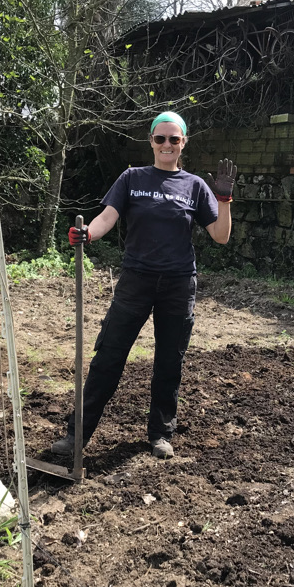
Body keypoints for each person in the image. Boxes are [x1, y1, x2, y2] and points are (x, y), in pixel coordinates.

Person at [51, 111, 236, 460]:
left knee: (170, 361)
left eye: (174, 139)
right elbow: (107, 217)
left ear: (183, 143)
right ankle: (76, 435)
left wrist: (224, 201)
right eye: (160, 138)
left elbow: (221, 236)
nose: (167, 145)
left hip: (178, 285)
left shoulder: (195, 186)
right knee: (108, 357)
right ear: (151, 141)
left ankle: (160, 434)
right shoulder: (132, 178)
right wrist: (88, 233)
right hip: (136, 281)